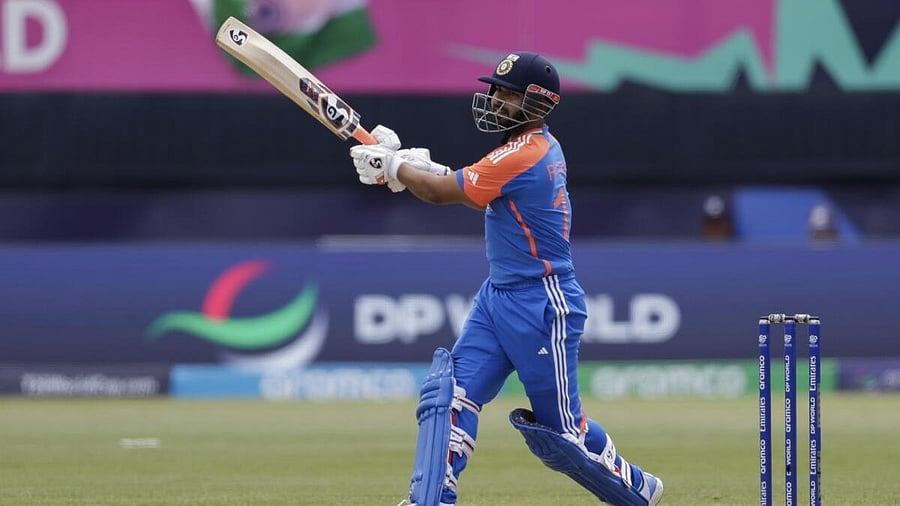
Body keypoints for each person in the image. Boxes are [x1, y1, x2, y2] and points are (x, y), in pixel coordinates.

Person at [350, 51, 664, 506]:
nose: (495, 100)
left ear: (537, 102)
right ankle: (430, 498)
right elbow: (477, 194)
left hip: (543, 303)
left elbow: (444, 193)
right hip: (498, 297)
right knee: (448, 396)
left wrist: (396, 167)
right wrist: (409, 165)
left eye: (508, 94)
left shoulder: (528, 151)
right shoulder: (522, 149)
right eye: (495, 90)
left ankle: (637, 489)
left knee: (562, 436)